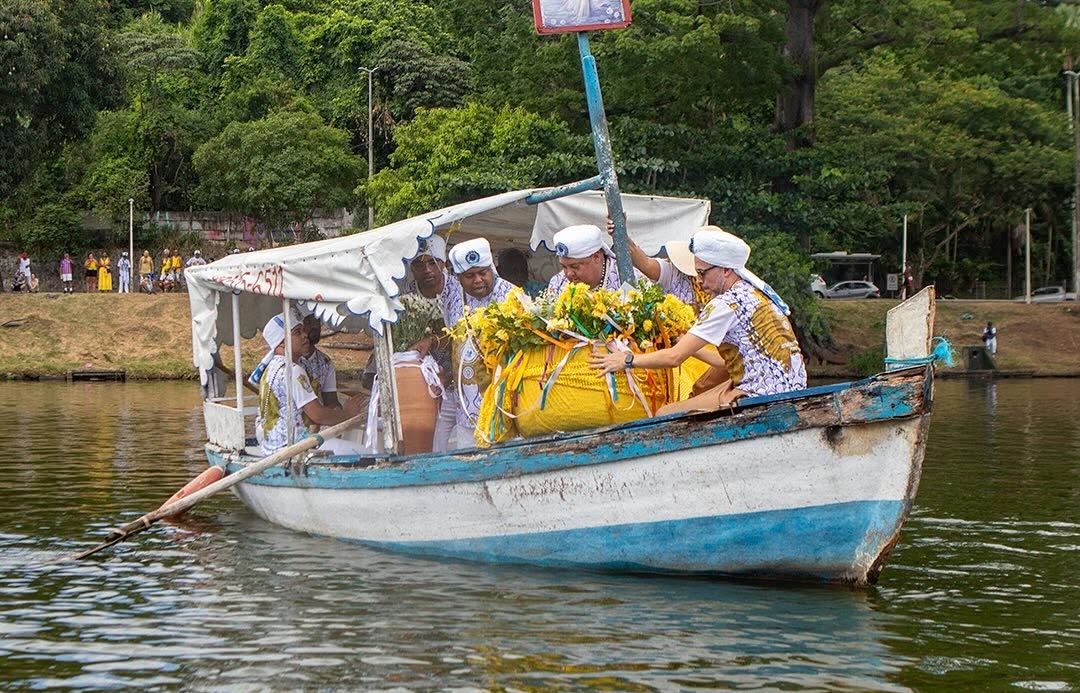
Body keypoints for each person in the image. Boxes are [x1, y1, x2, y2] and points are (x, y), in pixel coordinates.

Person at [589, 226, 807, 408]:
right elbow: (723, 361)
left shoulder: (725, 304)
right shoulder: (755, 292)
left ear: (726, 271)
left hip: (761, 394)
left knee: (666, 414)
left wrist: (626, 360)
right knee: (698, 393)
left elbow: (674, 358)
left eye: (703, 273)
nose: (699, 281)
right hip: (787, 389)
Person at [437, 238, 518, 450]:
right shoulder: (453, 298)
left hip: (507, 409)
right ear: (458, 277)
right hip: (467, 413)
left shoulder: (512, 296)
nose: (478, 280)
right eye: (469, 276)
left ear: (492, 268)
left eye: (483, 272)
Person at [254, 310, 365, 455]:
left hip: (271, 448)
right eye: (297, 332)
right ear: (282, 342)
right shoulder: (294, 371)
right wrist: (349, 414)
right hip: (292, 449)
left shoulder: (270, 368)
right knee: (366, 453)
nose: (305, 334)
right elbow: (318, 415)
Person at [546, 224, 643, 293]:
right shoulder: (557, 284)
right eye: (564, 266)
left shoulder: (630, 280)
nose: (569, 273)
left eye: (575, 266)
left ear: (596, 257)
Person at [299, 313, 340, 409]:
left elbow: (331, 401)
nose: (315, 327)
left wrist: (339, 411)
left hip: (316, 420)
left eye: (317, 321)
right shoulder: (287, 362)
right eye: (308, 322)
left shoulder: (325, 362)